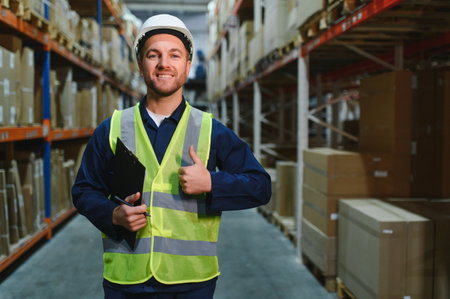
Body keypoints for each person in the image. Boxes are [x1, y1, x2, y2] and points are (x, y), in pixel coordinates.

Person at [72, 14, 271, 299]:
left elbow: (261, 186)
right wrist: (113, 214)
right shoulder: (112, 129)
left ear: (187, 66)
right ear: (140, 65)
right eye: (153, 55)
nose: (164, 63)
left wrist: (212, 183)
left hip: (192, 282)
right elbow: (83, 190)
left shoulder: (211, 131)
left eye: (174, 55)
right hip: (127, 282)